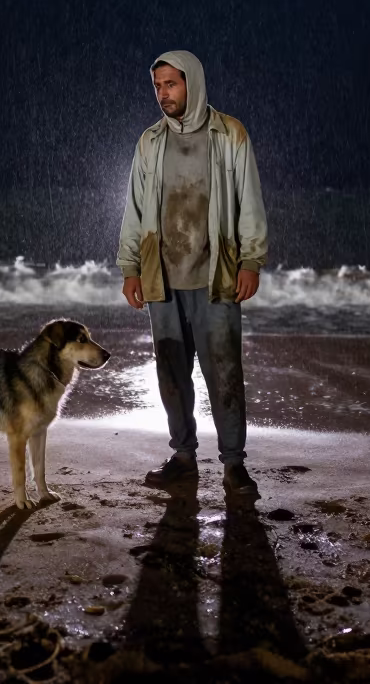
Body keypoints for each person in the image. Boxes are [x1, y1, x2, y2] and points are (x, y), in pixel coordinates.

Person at [116, 50, 268, 497]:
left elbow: (250, 202)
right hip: (160, 278)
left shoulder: (230, 134)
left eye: (172, 85)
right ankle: (183, 458)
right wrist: (130, 267)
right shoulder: (149, 141)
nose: (163, 94)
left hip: (216, 277)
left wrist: (251, 261)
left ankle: (234, 466)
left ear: (193, 84)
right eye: (158, 85)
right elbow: (134, 209)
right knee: (171, 374)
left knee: (224, 374)